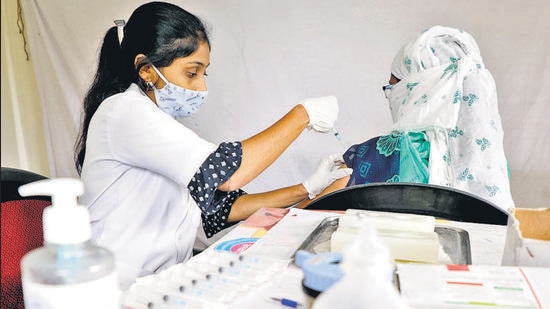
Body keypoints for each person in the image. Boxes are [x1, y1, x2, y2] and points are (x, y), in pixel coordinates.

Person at [74, 1, 352, 289]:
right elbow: (228, 175)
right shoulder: (124, 112)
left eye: (203, 74)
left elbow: (220, 209)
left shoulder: (158, 122)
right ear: (145, 69)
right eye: (191, 73)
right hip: (111, 288)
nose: (201, 87)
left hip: (155, 283)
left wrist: (306, 188)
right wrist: (301, 115)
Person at [299, 25, 515, 211]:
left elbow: (297, 220)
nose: (390, 95)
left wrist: (305, 189)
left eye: (394, 86)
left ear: (420, 89)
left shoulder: (377, 155)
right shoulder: (492, 165)